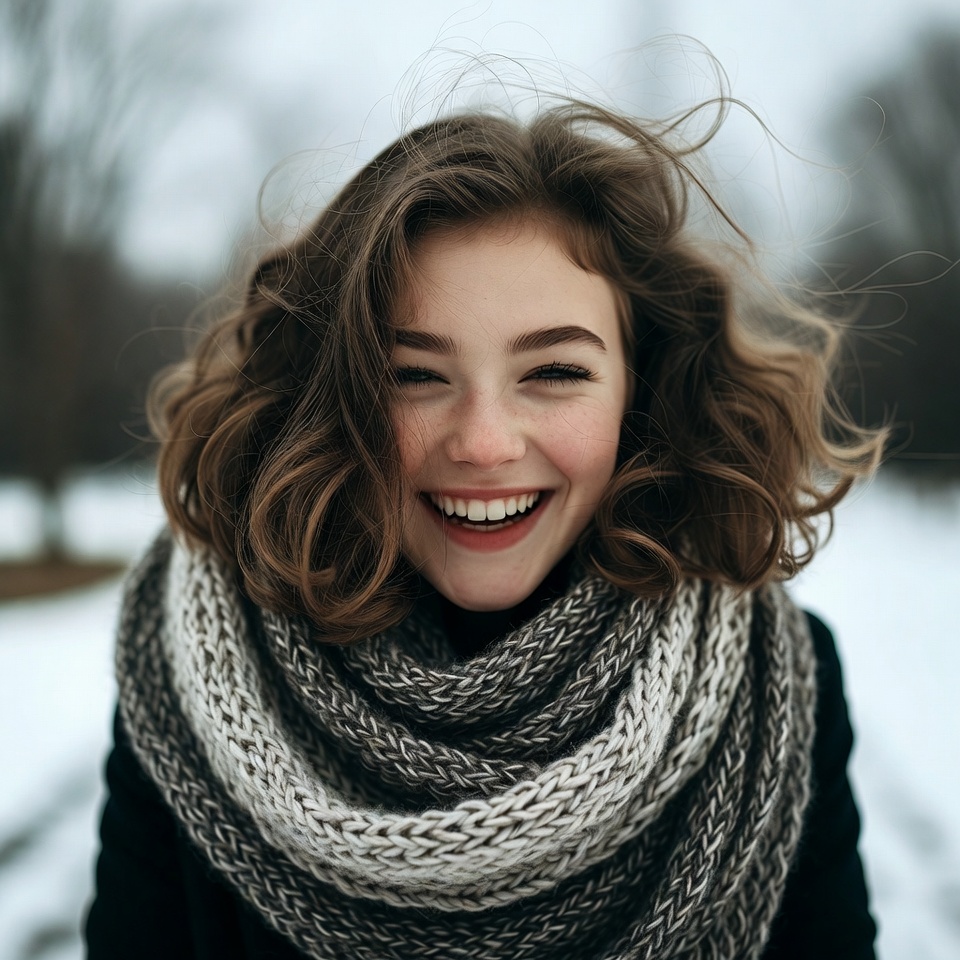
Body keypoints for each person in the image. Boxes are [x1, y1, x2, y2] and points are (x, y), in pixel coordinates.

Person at [85, 97, 884, 959]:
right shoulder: (195, 676)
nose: (483, 443)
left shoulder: (772, 684)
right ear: (336, 393)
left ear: (641, 385)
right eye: (415, 374)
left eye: (554, 370)